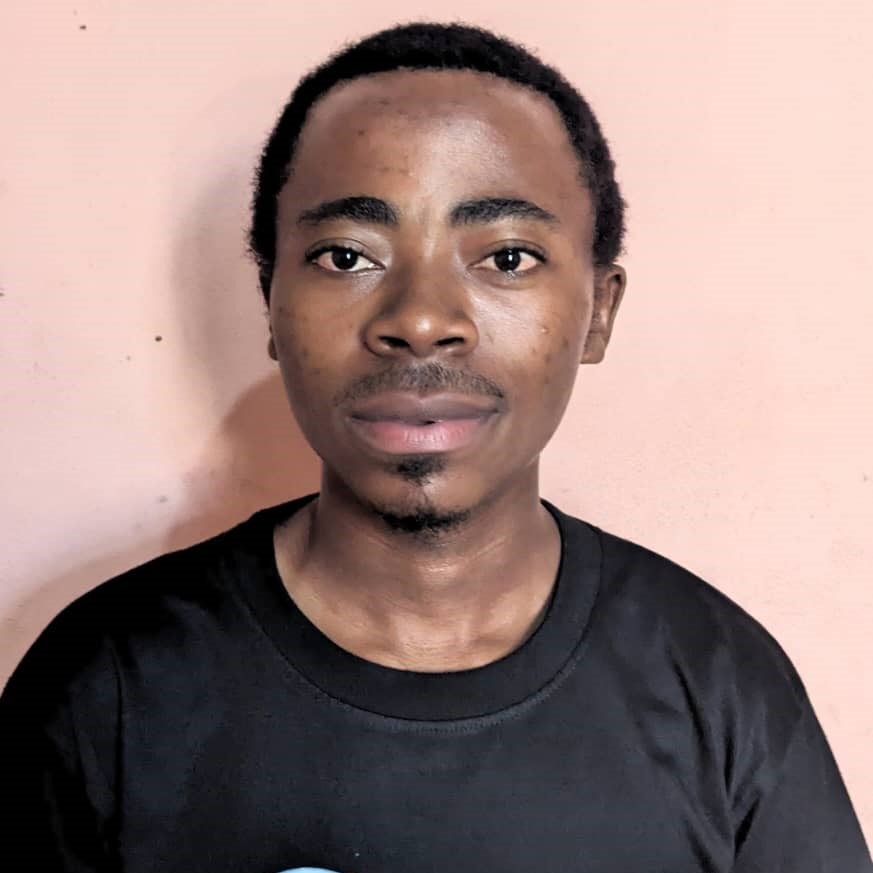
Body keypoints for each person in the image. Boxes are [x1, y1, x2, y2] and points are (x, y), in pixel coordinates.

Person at [1, 21, 869, 873]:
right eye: (346, 256)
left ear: (597, 312)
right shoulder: (104, 685)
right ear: (270, 302)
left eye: (507, 258)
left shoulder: (718, 682)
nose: (420, 319)